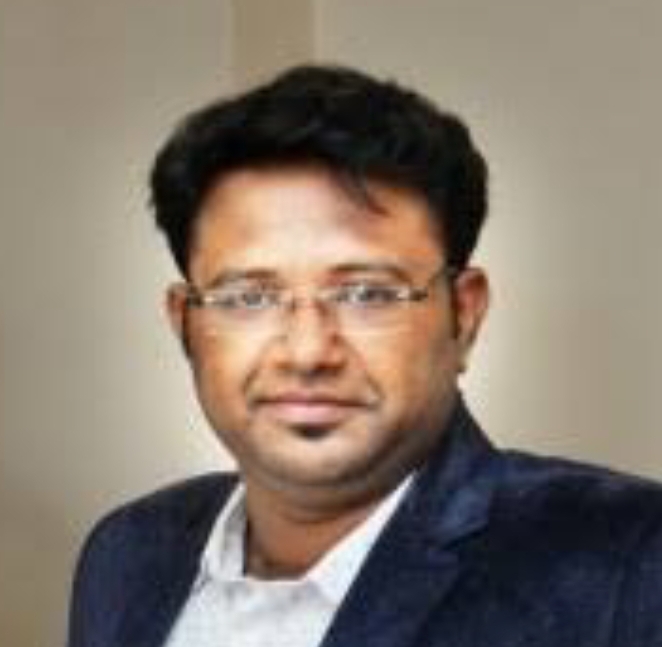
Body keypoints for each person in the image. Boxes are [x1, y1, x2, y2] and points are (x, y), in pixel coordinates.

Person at [67, 64, 662, 647]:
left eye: (367, 294)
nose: (307, 352)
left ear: (464, 314)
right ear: (185, 323)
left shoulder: (629, 559)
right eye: (249, 296)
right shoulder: (128, 554)